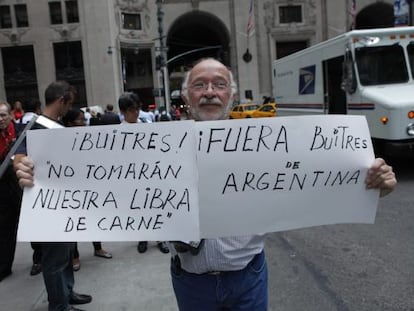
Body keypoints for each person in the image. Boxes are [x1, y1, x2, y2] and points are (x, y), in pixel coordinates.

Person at [165, 58, 397, 310]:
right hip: (190, 281)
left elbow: (321, 183)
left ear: (232, 95)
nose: (210, 92)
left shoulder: (267, 145)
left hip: (247, 278)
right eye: (200, 85)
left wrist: (376, 185)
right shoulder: (158, 150)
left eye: (219, 84)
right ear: (186, 96)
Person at [14, 81, 92, 311]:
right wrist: (21, 167)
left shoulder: (55, 126)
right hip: (48, 206)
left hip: (65, 203)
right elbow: (18, 158)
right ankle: (58, 305)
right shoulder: (35, 126)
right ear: (61, 100)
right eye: (69, 103)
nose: (70, 108)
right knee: (54, 259)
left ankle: (67, 292)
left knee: (66, 252)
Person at [118, 92, 169, 255]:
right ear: (123, 111)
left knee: (155, 206)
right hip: (132, 177)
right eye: (132, 110)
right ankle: (143, 238)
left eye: (138, 108)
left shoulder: (147, 126)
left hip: (151, 173)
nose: (136, 112)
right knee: (138, 208)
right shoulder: (117, 132)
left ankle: (161, 238)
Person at [61, 108, 113, 271]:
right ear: (69, 124)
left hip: (89, 185)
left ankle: (98, 248)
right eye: (80, 121)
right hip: (71, 188)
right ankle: (74, 256)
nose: (84, 124)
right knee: (74, 221)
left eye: (85, 120)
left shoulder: (89, 138)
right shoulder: (62, 141)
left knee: (92, 218)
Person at [18, 98, 43, 276]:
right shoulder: (39, 123)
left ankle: (37, 259)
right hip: (35, 178)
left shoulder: (18, 123)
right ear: (37, 108)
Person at [0, 101, 22, 282]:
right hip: (4, 189)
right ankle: (4, 266)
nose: (0, 119)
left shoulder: (20, 131)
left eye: (3, 115)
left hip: (20, 183)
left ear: (10, 116)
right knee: (6, 227)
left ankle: (38, 259)